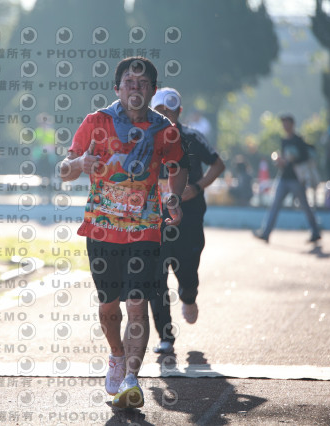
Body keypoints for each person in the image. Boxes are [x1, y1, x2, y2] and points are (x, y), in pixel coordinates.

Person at [60, 57, 189, 409]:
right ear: (117, 88)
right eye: (129, 82)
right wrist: (79, 163)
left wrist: (173, 196)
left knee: (137, 303)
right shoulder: (96, 122)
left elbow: (178, 167)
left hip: (145, 230)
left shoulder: (165, 130)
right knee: (109, 306)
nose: (136, 88)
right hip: (102, 229)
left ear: (152, 90)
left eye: (143, 83)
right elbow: (64, 170)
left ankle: (132, 378)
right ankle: (116, 354)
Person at [148, 88, 225, 354]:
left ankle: (189, 296)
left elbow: (218, 164)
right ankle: (165, 336)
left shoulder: (192, 137)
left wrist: (198, 187)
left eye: (170, 110)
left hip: (189, 220)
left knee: (188, 274)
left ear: (179, 111)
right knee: (156, 279)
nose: (165, 115)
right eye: (160, 111)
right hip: (154, 222)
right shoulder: (144, 139)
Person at [253, 114, 322, 243]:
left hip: (296, 180)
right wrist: (281, 161)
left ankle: (316, 231)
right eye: (283, 123)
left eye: (287, 123)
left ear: (292, 124)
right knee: (274, 205)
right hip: (284, 177)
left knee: (305, 206)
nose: (284, 126)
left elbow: (305, 157)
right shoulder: (284, 141)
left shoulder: (298, 140)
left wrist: (292, 160)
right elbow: (284, 159)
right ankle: (266, 233)